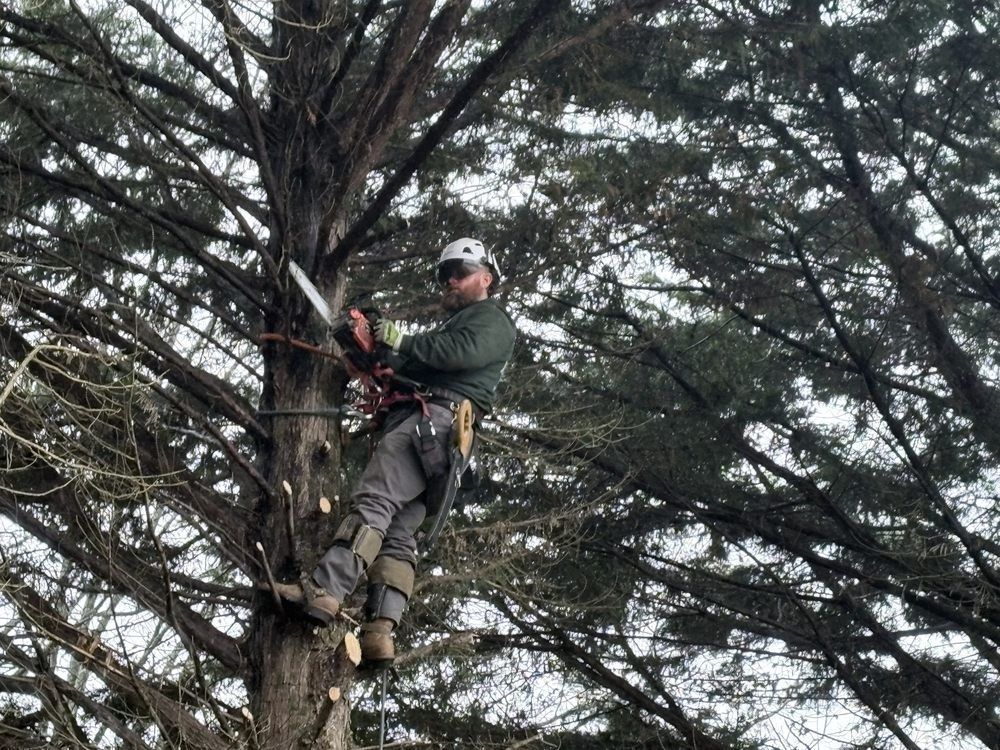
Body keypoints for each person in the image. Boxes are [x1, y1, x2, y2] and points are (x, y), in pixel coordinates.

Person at [279, 238, 516, 667]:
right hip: (441, 436)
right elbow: (420, 365)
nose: (451, 282)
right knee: (400, 531)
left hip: (433, 424)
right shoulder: (456, 327)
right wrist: (380, 360)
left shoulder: (490, 321)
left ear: (487, 277)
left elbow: (457, 354)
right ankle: (379, 633)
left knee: (375, 501)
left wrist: (401, 342)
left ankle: (326, 591)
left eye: (460, 274)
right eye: (446, 277)